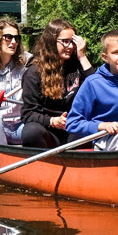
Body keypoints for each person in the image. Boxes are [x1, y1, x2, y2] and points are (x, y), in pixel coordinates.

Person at [20, 19, 95, 148]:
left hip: (74, 129)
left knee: (91, 127)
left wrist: (82, 57)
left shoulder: (78, 65)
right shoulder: (33, 72)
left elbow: (97, 90)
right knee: (30, 132)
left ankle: (77, 162)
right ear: (51, 42)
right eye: (65, 41)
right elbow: (28, 114)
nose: (70, 46)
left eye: (73, 42)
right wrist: (53, 121)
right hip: (49, 130)